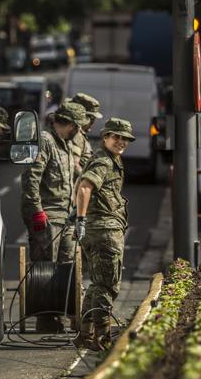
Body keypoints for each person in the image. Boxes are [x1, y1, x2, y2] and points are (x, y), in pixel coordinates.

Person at [20, 101, 86, 332]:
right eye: (76, 126)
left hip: (65, 217)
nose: (78, 132)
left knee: (66, 267)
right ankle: (45, 318)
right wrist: (36, 211)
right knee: (45, 269)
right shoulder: (46, 142)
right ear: (68, 123)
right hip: (47, 217)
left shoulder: (65, 145)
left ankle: (61, 312)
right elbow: (31, 179)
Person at [73, 118, 134, 351]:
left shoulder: (109, 159)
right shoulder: (103, 161)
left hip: (98, 228)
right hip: (104, 230)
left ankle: (85, 334)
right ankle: (103, 336)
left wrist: (81, 216)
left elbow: (81, 187)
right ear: (105, 137)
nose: (121, 142)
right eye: (116, 137)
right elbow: (85, 187)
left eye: (125, 139)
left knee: (98, 283)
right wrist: (80, 218)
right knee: (108, 285)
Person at [70, 92, 103, 180]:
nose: (93, 122)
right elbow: (74, 165)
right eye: (92, 118)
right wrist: (89, 182)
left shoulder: (77, 134)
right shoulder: (76, 136)